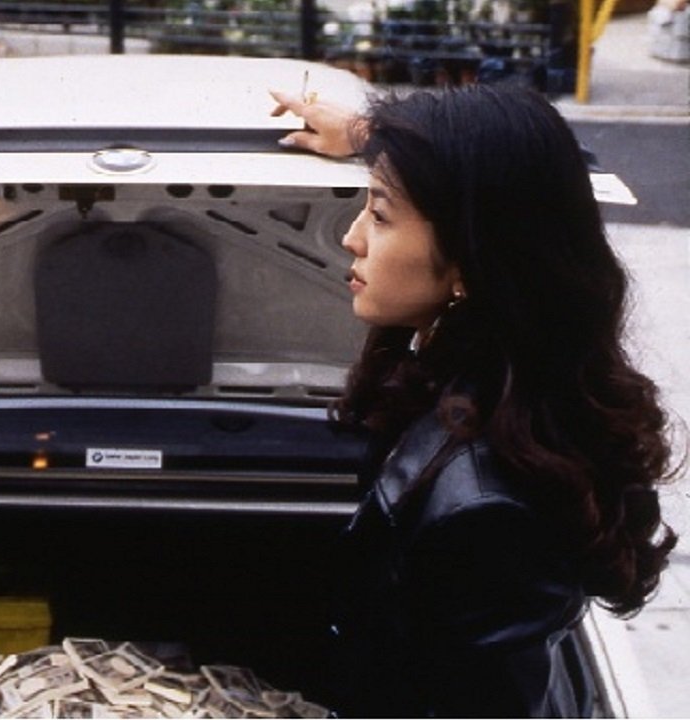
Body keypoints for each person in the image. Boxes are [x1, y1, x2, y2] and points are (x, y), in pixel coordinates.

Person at [270, 84, 679, 717]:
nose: (350, 238)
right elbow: (501, 176)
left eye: (379, 215)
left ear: (469, 258)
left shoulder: (489, 516)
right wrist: (365, 136)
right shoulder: (506, 380)